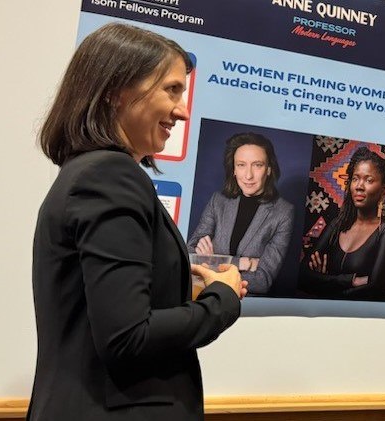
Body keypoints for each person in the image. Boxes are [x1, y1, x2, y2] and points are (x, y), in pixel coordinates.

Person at [29, 23, 248, 421]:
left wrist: (184, 295)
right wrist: (224, 299)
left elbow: (111, 316)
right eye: (172, 90)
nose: (182, 111)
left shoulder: (88, 173)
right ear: (117, 90)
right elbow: (128, 337)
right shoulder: (109, 176)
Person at [187, 132, 294, 295]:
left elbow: (262, 280)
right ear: (234, 169)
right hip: (205, 298)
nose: (248, 175)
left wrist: (213, 263)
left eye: (257, 165)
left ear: (268, 169)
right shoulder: (218, 200)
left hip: (245, 305)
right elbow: (190, 254)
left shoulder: (283, 212)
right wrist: (244, 263)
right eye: (241, 165)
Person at [299, 146, 385, 301]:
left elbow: (376, 287)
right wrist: (350, 281)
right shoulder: (337, 225)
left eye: (369, 180)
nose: (359, 186)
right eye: (355, 178)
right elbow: (303, 276)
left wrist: (324, 283)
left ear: (383, 189)